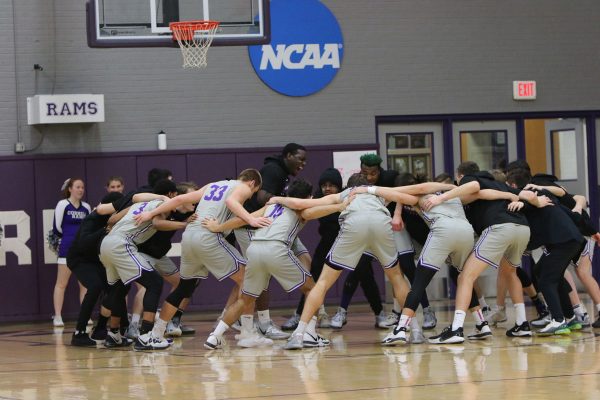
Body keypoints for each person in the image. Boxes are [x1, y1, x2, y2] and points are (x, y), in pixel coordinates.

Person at [132, 169, 272, 350]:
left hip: (189, 236)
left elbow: (180, 199)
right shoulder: (243, 186)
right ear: (252, 183)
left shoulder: (212, 185)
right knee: (249, 279)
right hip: (208, 237)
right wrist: (251, 220)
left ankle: (156, 334)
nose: (250, 195)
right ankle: (247, 332)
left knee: (184, 287)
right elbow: (231, 202)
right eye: (252, 193)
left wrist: (151, 214)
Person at [276, 173, 419, 350]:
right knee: (397, 277)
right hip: (381, 222)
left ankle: (299, 334)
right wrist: (398, 212)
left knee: (322, 282)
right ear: (366, 185)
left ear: (348, 187)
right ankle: (415, 329)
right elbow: (411, 193)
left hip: (354, 224)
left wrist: (276, 199)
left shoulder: (344, 194)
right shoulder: (378, 192)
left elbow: (304, 207)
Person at [204, 179, 350, 349]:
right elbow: (312, 213)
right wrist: (339, 207)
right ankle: (309, 333)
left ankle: (215, 336)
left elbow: (242, 220)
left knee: (245, 299)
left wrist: (219, 227)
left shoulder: (270, 206)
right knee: (312, 289)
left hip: (254, 248)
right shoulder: (300, 208)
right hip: (276, 248)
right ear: (307, 198)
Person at [231, 143, 308, 339]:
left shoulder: (280, 171)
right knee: (259, 275)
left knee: (303, 258)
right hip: (252, 226)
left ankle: (234, 319)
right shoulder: (273, 170)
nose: (303, 163)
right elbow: (263, 198)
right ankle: (263, 323)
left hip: (263, 227)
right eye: (300, 158)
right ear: (288, 155)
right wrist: (288, 201)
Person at [329, 154, 403, 330]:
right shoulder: (351, 191)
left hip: (389, 227)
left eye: (373, 173)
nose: (369, 177)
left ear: (380, 171)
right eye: (365, 173)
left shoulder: (389, 179)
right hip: (360, 230)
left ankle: (408, 317)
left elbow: (404, 192)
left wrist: (398, 214)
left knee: (401, 272)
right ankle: (368, 313)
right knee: (361, 270)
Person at [282, 168, 342, 330]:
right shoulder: (317, 198)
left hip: (348, 242)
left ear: (339, 186)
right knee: (313, 276)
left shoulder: (345, 197)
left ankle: (375, 313)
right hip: (327, 242)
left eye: (331, 185)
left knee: (362, 274)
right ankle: (304, 314)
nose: (327, 188)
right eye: (324, 185)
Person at [52, 178, 92, 327]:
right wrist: (70, 239)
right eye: (77, 187)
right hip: (67, 249)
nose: (80, 190)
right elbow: (57, 228)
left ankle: (85, 316)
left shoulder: (86, 207)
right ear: (70, 189)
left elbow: (89, 226)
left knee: (85, 285)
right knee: (61, 284)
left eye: (82, 187)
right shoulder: (63, 205)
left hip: (83, 251)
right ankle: (57, 316)